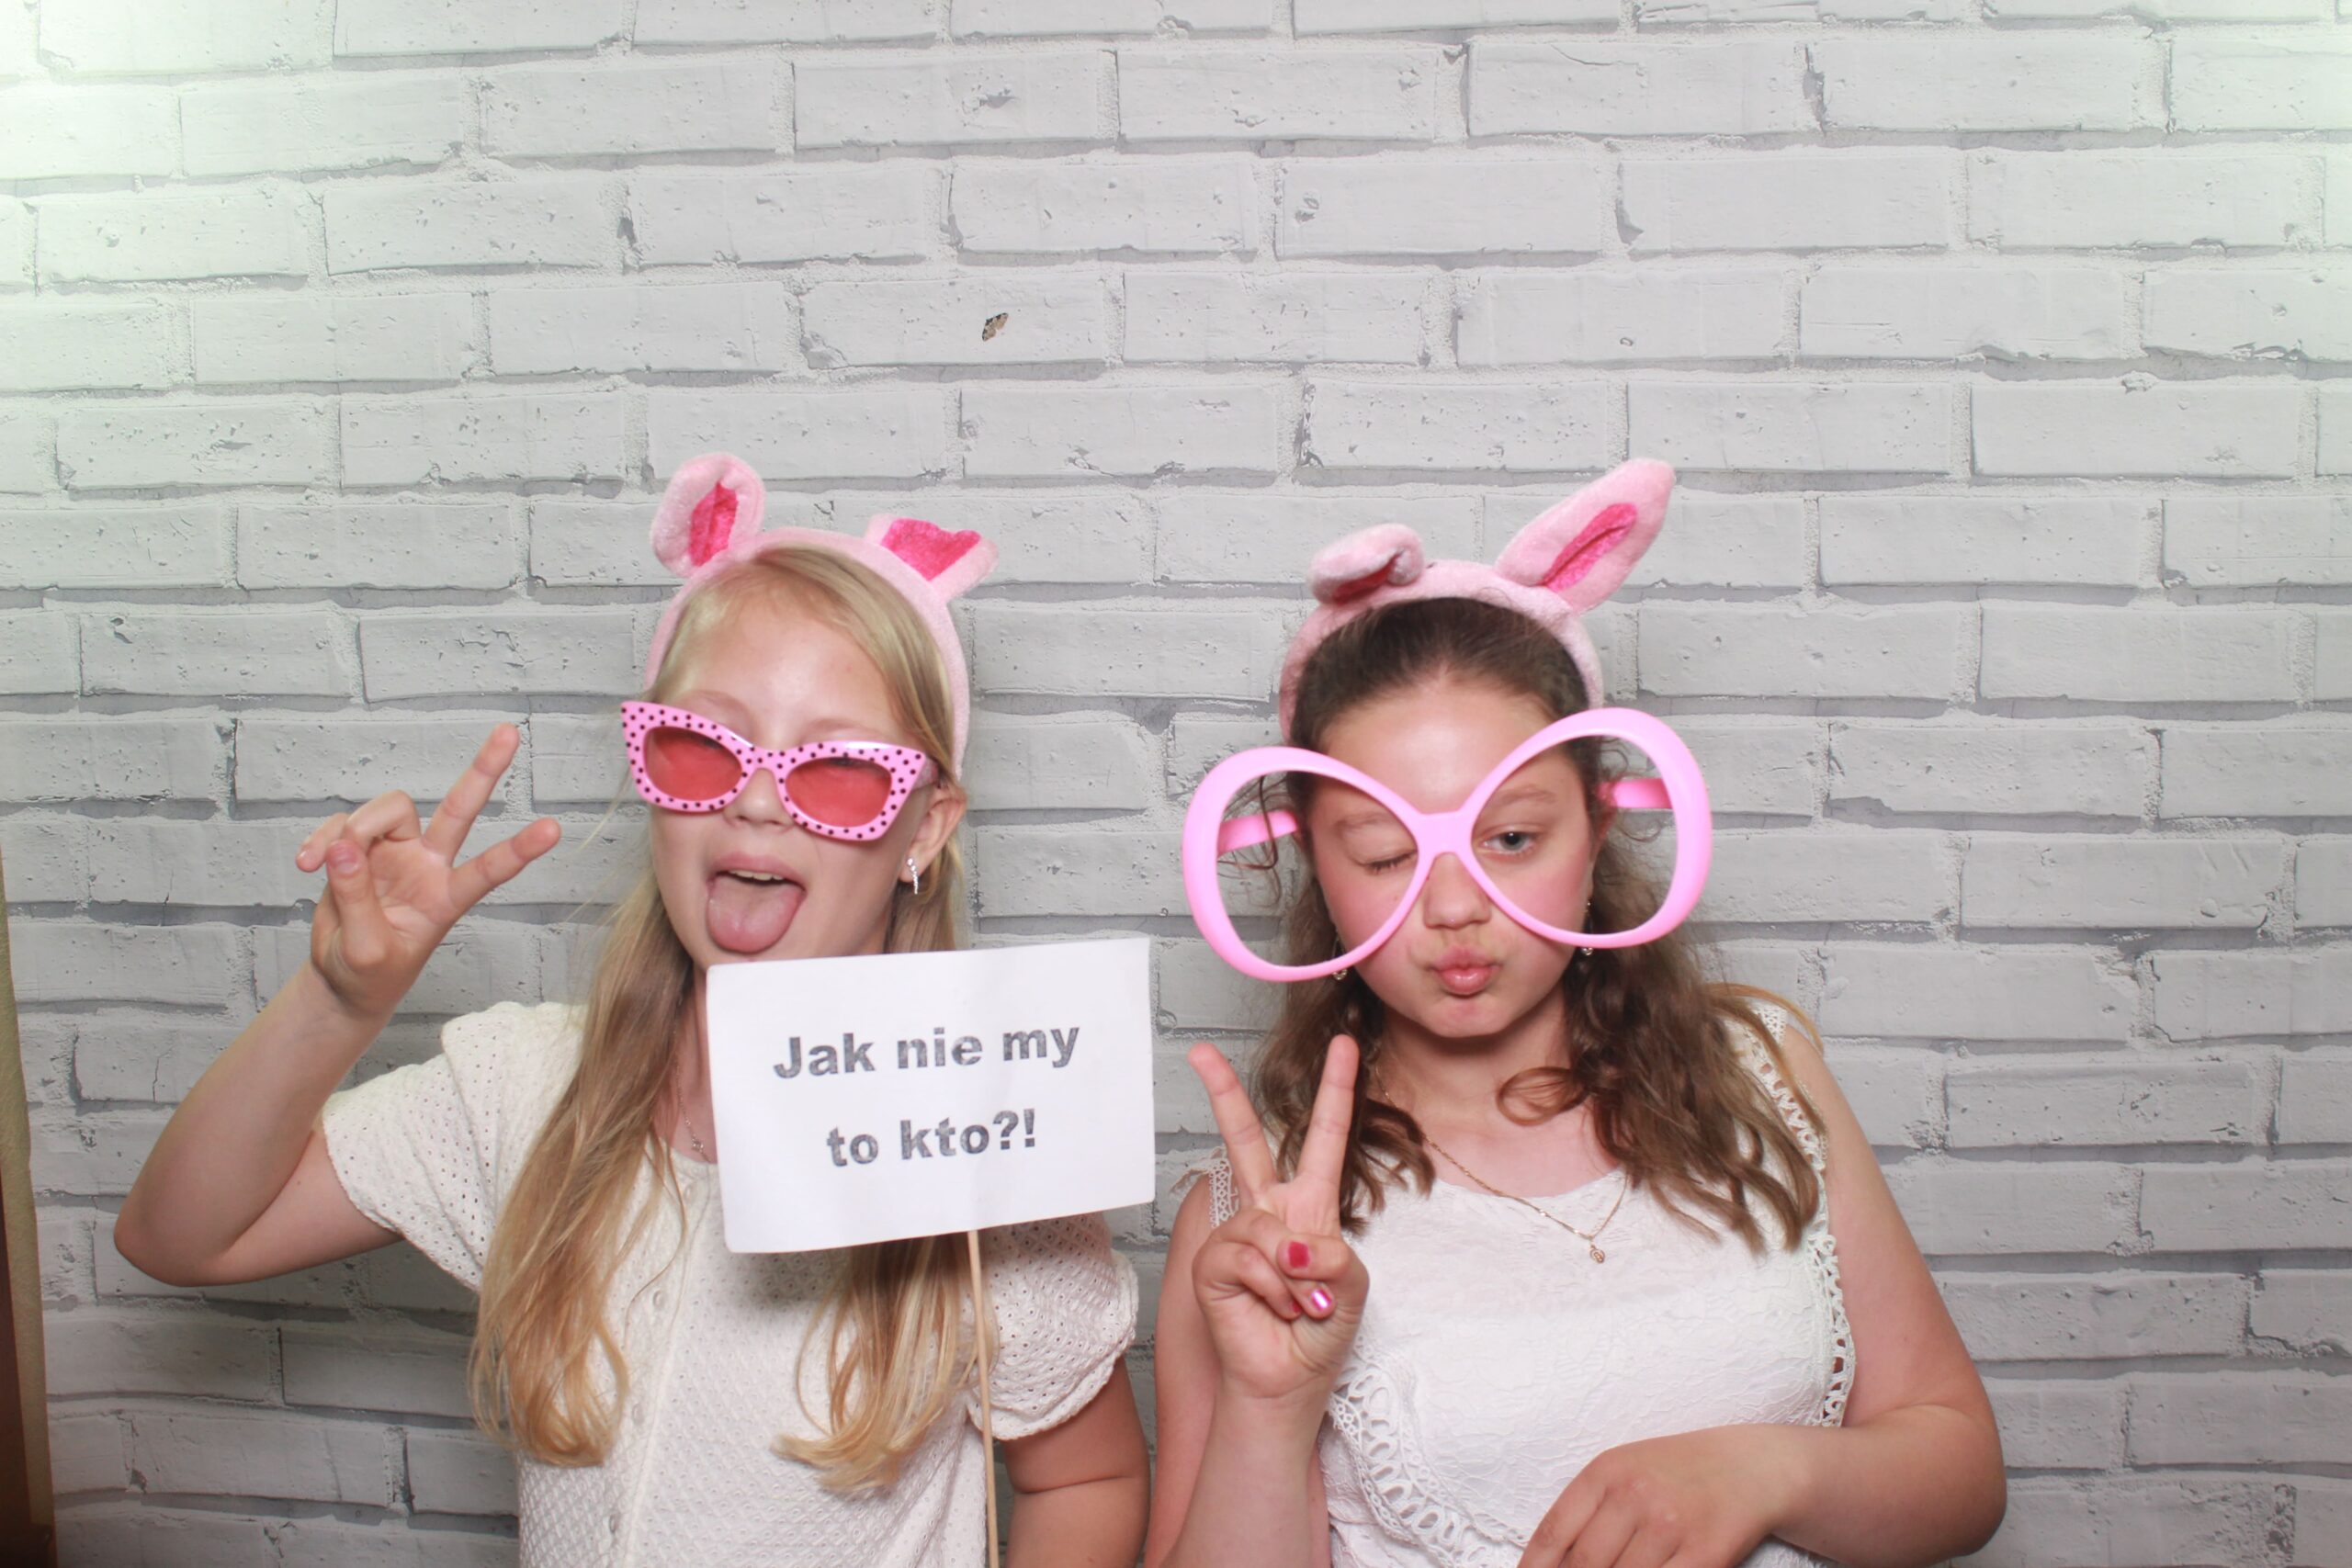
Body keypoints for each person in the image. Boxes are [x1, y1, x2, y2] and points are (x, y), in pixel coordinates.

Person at [114, 453, 1148, 1568]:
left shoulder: (980, 1151)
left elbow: (1086, 1476)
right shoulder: (523, 1090)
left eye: (837, 771)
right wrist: (336, 1000)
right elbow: (180, 1236)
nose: (758, 800)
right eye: (701, 749)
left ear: (925, 829)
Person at [1145, 460, 2004, 1568]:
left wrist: (1762, 1473)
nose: (1453, 908)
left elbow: (1958, 1470)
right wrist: (1270, 1410)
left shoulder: (1759, 1070)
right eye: (1386, 852)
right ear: (1314, 860)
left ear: (1597, 829)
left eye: (1511, 838)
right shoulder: (1254, 1224)